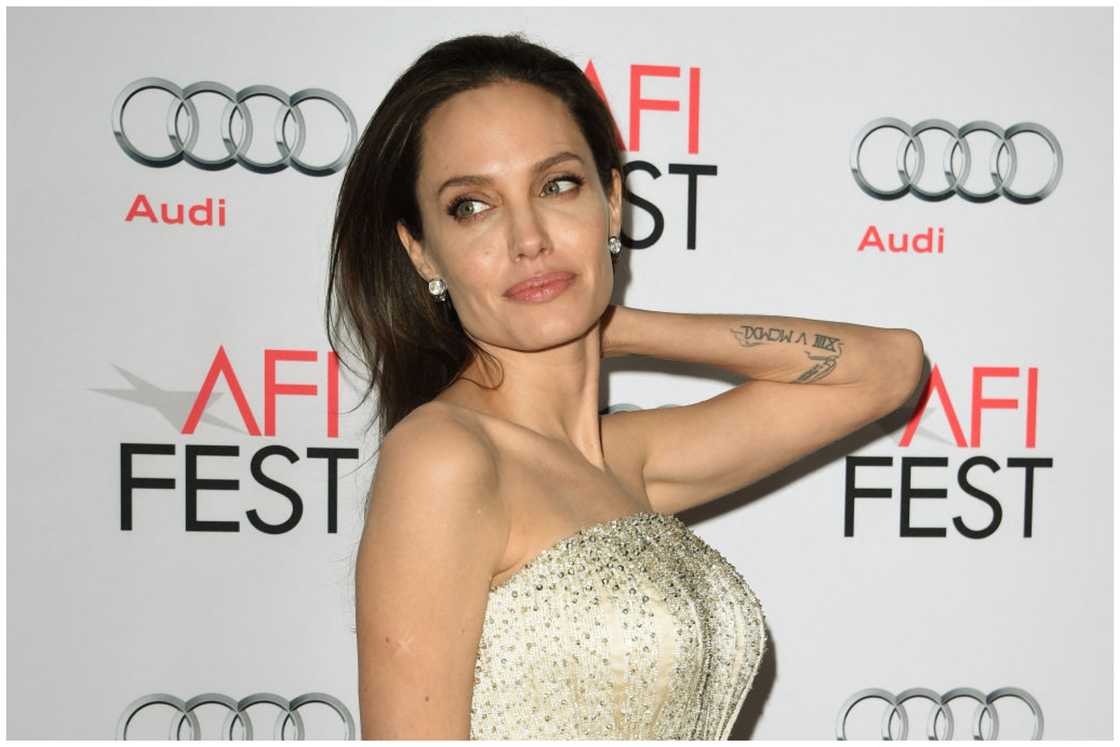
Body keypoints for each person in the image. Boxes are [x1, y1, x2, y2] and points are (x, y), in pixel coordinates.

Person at [326, 32, 926, 740]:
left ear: (612, 202)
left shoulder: (625, 459)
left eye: (558, 185)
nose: (529, 238)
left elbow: (888, 366)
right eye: (472, 206)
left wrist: (615, 323)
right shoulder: (446, 457)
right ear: (420, 248)